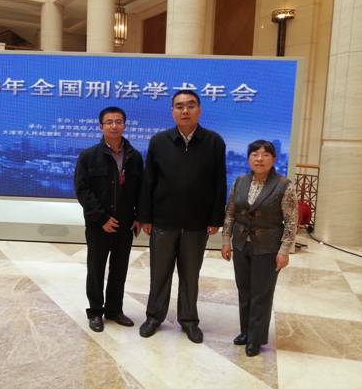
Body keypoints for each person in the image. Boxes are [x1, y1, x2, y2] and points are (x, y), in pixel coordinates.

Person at [137, 90, 227, 343]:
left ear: (199, 109)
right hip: (163, 221)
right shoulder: (159, 141)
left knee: (190, 275)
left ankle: (188, 320)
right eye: (179, 106)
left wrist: (215, 219)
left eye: (190, 105)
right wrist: (146, 217)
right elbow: (149, 181)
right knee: (160, 273)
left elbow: (219, 182)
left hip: (197, 223)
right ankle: (154, 317)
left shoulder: (214, 142)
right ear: (172, 111)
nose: (185, 110)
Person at [221, 139, 297, 356]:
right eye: (255, 154)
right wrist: (226, 240)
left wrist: (284, 251)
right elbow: (230, 213)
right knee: (244, 289)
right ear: (249, 159)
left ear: (274, 159)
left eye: (265, 155)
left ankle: (256, 338)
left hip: (268, 246)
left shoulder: (283, 185)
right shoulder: (240, 181)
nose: (259, 159)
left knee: (261, 294)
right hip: (241, 244)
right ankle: (245, 332)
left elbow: (291, 221)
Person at [74, 106, 144, 332]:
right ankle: (95, 312)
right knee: (96, 269)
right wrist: (102, 218)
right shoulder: (88, 156)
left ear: (125, 125)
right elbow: (82, 190)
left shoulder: (134, 157)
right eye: (109, 122)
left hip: (125, 223)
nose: (114, 126)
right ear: (101, 127)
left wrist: (138, 216)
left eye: (118, 121)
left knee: (119, 269)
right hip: (98, 225)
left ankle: (114, 310)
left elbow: (140, 189)